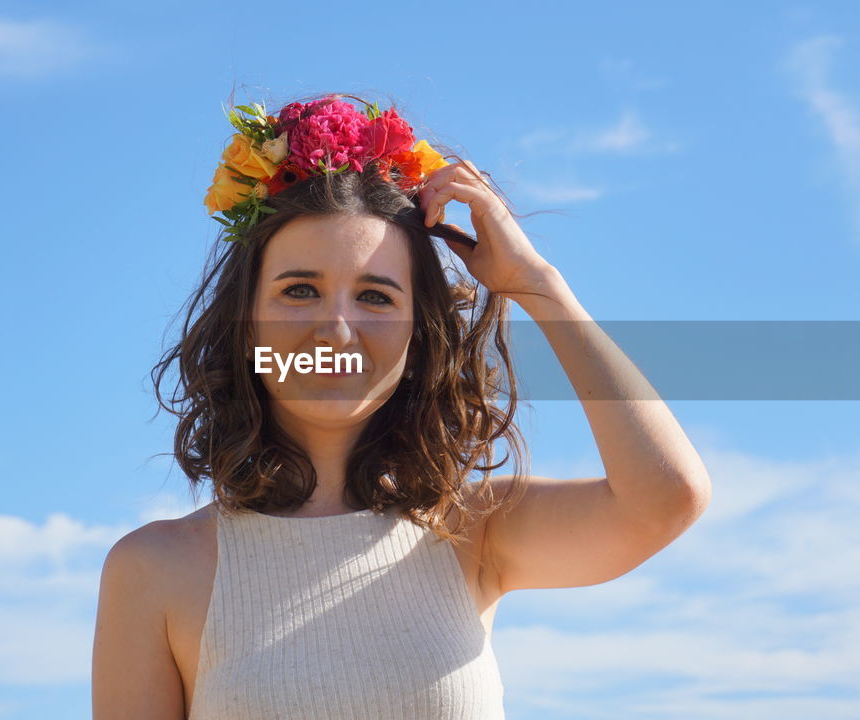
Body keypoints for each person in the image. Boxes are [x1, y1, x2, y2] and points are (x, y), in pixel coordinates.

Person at [91, 93, 712, 719]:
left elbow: (666, 498)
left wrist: (538, 286)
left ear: (419, 341)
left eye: (377, 297)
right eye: (299, 290)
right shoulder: (153, 569)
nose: (337, 331)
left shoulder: (473, 528)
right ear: (246, 326)